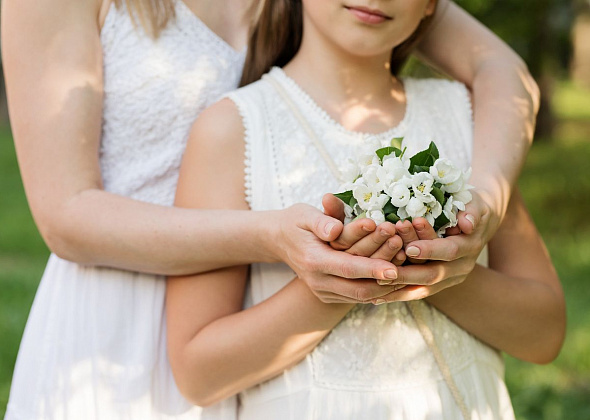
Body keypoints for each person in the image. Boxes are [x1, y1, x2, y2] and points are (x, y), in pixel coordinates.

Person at [2, 0, 539, 418]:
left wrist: (482, 207)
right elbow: (65, 215)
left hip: (258, 317)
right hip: (118, 322)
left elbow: (503, 71)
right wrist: (277, 239)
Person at [165, 0, 565, 418]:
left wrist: (437, 264)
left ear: (432, 5)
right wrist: (344, 278)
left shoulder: (471, 118)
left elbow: (545, 333)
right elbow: (199, 374)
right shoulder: (233, 130)